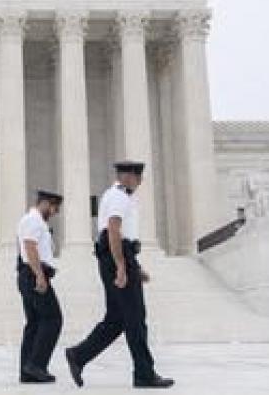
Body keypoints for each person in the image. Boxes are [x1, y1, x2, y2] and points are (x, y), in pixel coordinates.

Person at [65, 161, 174, 389]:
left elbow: (122, 236)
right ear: (128, 177)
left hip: (122, 256)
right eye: (138, 178)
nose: (140, 182)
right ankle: (144, 373)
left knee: (117, 319)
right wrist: (122, 267)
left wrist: (134, 266)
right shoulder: (118, 197)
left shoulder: (120, 196)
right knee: (135, 319)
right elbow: (113, 231)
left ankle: (79, 355)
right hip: (117, 257)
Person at [16, 190, 64, 383]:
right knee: (53, 319)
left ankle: (27, 370)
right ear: (45, 203)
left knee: (35, 323)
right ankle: (36, 365)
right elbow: (30, 246)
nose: (54, 212)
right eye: (54, 208)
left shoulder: (34, 221)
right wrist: (40, 276)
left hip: (29, 275)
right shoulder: (33, 220)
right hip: (33, 274)